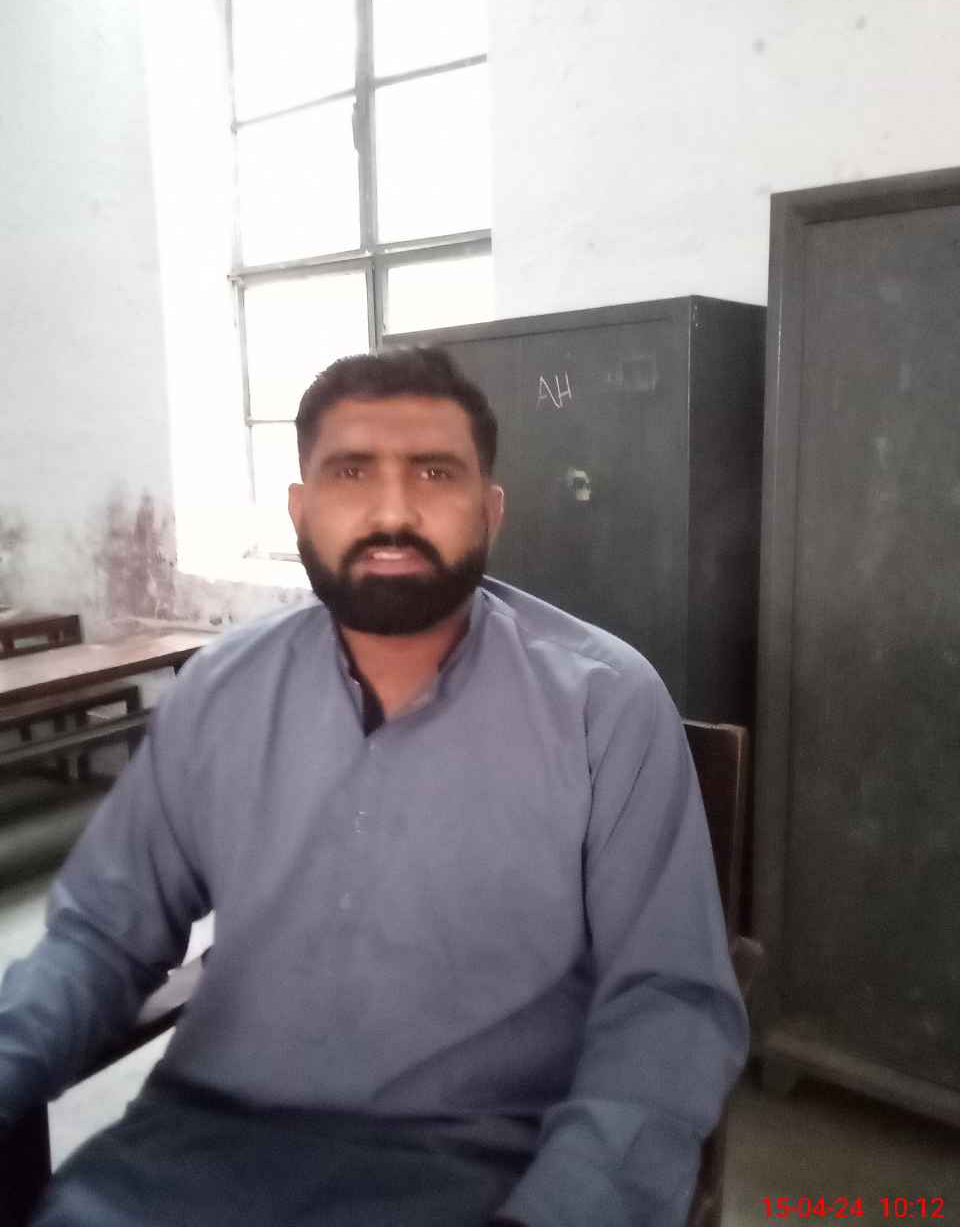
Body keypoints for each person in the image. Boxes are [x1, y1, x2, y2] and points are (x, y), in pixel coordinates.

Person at [0, 347, 748, 1226]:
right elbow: (100, 935)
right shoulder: (220, 692)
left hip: (484, 1172)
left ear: (490, 511)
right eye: (351, 473)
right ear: (301, 510)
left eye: (435, 473)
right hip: (187, 1162)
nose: (393, 512)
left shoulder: (602, 705)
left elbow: (668, 1003)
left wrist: (567, 1206)